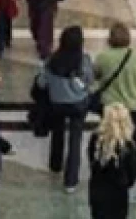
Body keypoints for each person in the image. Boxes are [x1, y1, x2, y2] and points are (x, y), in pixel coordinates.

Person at [36, 25, 94, 193]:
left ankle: (55, 164)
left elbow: (41, 83)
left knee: (57, 132)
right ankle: (71, 181)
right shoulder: (84, 60)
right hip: (78, 104)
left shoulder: (52, 60)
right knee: (75, 140)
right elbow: (89, 81)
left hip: (57, 103)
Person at [92, 23, 136, 145]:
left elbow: (95, 75)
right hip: (132, 105)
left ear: (110, 38)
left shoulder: (103, 57)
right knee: (132, 139)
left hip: (109, 106)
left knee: (108, 139)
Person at [87, 104, 136, 219]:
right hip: (118, 193)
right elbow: (133, 174)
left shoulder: (96, 139)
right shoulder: (129, 145)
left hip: (97, 191)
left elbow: (91, 162)